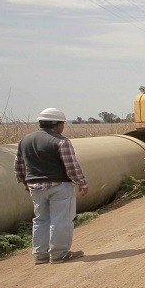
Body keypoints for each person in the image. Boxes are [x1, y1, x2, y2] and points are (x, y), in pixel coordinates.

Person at [13, 108, 89, 264]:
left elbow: (19, 165)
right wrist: (81, 182)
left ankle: (40, 255)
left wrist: (24, 181)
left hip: (35, 186)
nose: (63, 127)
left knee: (40, 219)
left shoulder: (25, 140)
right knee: (60, 219)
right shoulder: (61, 141)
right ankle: (59, 253)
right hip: (59, 186)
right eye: (63, 124)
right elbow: (71, 166)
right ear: (57, 124)